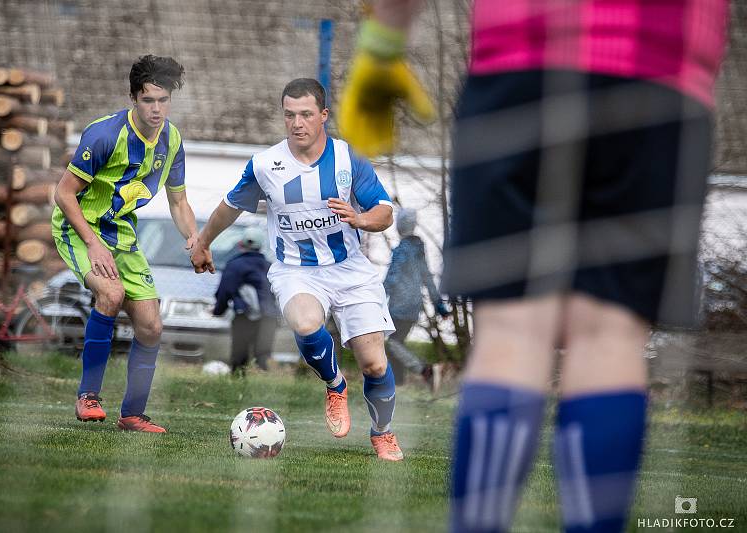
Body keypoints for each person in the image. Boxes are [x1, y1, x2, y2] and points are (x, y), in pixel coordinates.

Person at [339, 1, 728, 531]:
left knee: (513, 334)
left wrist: (384, 45)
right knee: (609, 336)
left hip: (521, 70)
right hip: (659, 81)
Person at [191, 78, 404, 461]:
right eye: (289, 115)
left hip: (351, 270)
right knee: (306, 324)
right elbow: (229, 206)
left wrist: (359, 218)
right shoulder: (265, 165)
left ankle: (382, 433)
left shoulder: (346, 158)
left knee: (374, 364)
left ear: (323, 115)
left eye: (306, 114)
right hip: (297, 271)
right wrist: (203, 241)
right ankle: (335, 385)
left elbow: (385, 212)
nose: (297, 123)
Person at [52, 55, 197, 433]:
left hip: (122, 235)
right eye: (148, 100)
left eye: (163, 100)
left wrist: (196, 239)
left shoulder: (173, 140)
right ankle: (88, 396)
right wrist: (93, 244)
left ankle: (132, 414)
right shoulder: (104, 135)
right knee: (111, 296)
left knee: (151, 327)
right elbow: (64, 194)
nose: (156, 108)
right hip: (78, 228)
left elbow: (178, 202)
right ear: (134, 98)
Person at [383, 207, 449, 391]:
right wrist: (439, 306)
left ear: (400, 227)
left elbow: (391, 278)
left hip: (399, 306)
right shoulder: (419, 250)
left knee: (393, 342)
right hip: (414, 306)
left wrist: (377, 299)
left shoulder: (401, 251)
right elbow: (428, 278)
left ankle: (425, 370)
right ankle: (398, 384)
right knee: (397, 342)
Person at [212, 226, 278, 374]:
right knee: (263, 355)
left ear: (240, 244)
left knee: (239, 354)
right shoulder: (270, 267)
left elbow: (224, 291)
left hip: (245, 316)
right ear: (261, 246)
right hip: (270, 317)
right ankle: (264, 384)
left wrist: (218, 310)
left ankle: (238, 380)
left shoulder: (234, 265)